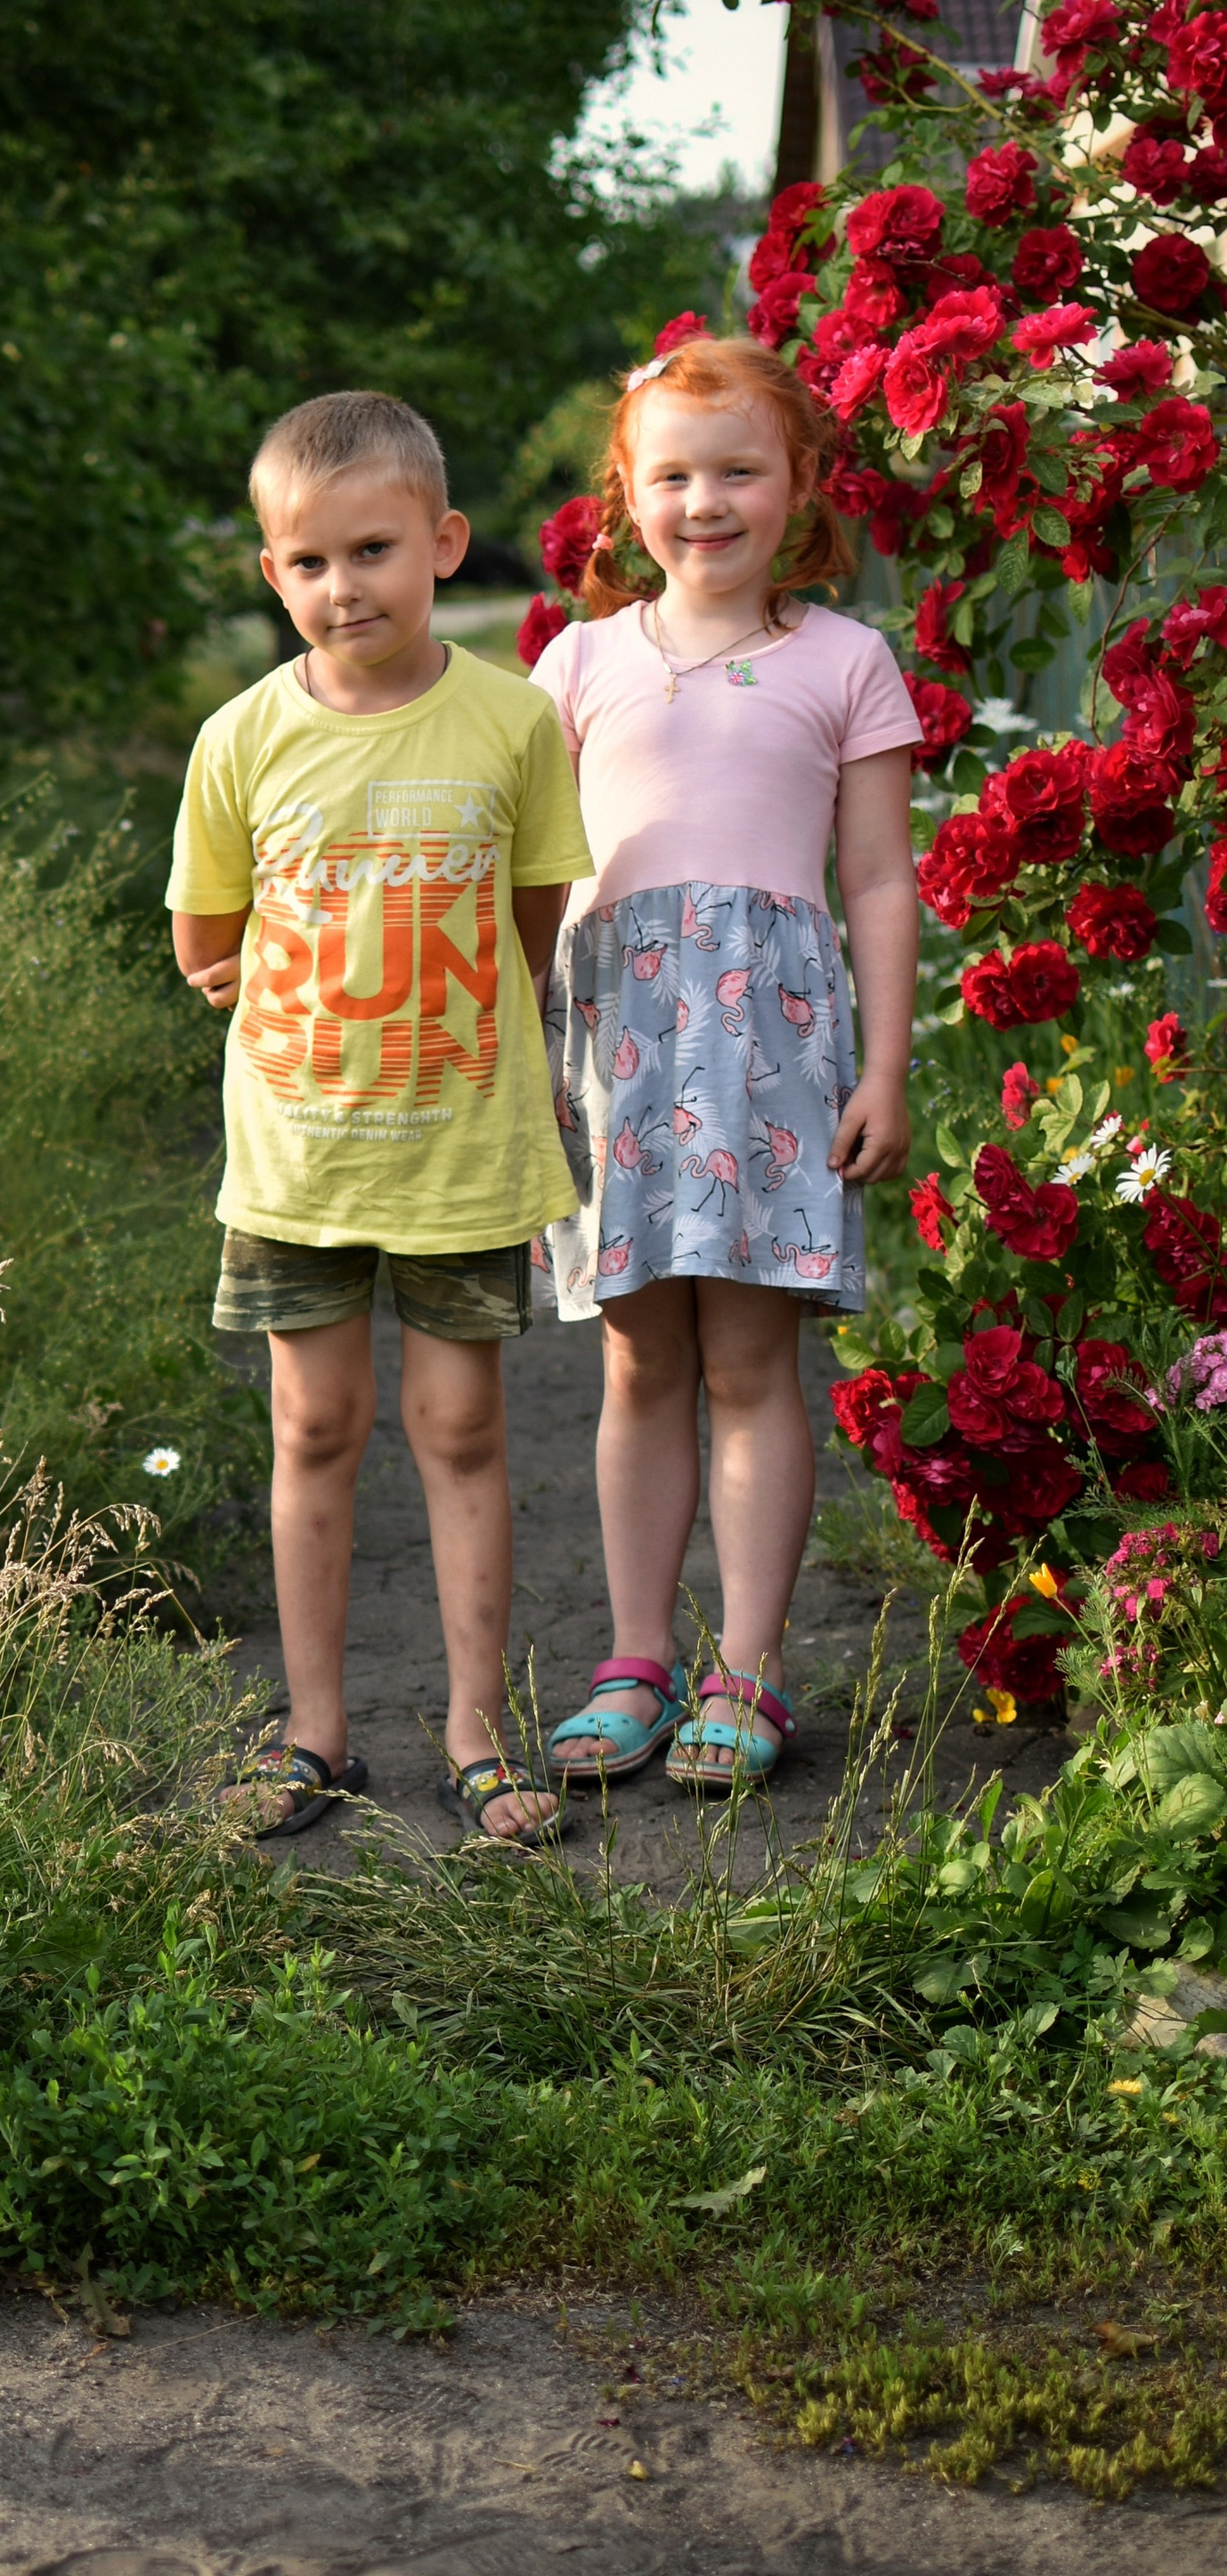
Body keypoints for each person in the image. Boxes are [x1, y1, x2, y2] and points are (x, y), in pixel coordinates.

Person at [167, 391, 593, 1843]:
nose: (342, 589)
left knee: (463, 1429)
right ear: (272, 574)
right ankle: (315, 1733)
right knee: (314, 1426)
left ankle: (480, 1734)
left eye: (374, 552)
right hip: (298, 1155)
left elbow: (536, 918)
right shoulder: (239, 738)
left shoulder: (512, 721)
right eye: (308, 563)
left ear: (443, 543)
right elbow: (204, 942)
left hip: (463, 1151)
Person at [530, 333, 920, 1794]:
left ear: (802, 485)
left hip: (772, 1051)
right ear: (625, 491)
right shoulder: (578, 660)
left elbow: (878, 878)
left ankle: (746, 1672)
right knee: (637, 1357)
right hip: (617, 1051)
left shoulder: (843, 660)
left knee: (753, 1360)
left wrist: (881, 1068)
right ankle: (636, 1660)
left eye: (740, 471)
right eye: (674, 474)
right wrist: (518, 1066)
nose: (707, 502)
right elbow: (529, 872)